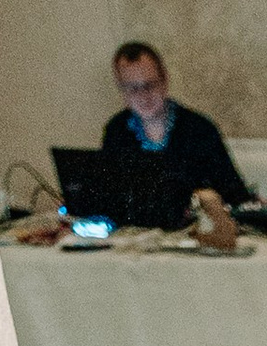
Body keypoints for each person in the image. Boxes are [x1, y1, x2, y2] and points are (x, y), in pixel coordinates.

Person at [97, 40, 255, 233]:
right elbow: (108, 196)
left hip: (194, 234)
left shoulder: (199, 129)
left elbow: (233, 192)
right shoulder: (116, 130)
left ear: (165, 80)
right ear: (121, 89)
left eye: (150, 85)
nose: (143, 95)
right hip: (132, 236)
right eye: (132, 88)